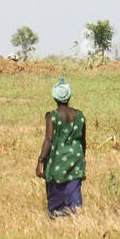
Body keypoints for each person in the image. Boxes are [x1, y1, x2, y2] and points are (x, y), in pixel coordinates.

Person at [36, 78, 86, 217]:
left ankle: (57, 215)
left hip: (56, 161)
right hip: (75, 160)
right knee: (74, 191)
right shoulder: (80, 116)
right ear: (69, 96)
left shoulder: (52, 117)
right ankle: (74, 215)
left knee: (55, 192)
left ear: (54, 97)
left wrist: (41, 160)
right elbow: (83, 140)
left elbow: (49, 140)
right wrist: (82, 159)